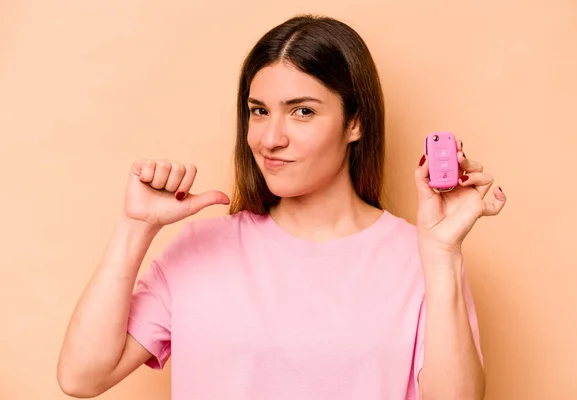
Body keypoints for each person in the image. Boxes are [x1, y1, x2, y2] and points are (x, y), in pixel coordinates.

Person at [57, 14, 506, 400]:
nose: (270, 139)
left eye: (302, 111)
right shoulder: (199, 248)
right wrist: (135, 227)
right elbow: (82, 376)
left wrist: (443, 257)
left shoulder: (421, 256)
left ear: (356, 122)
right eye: (258, 111)